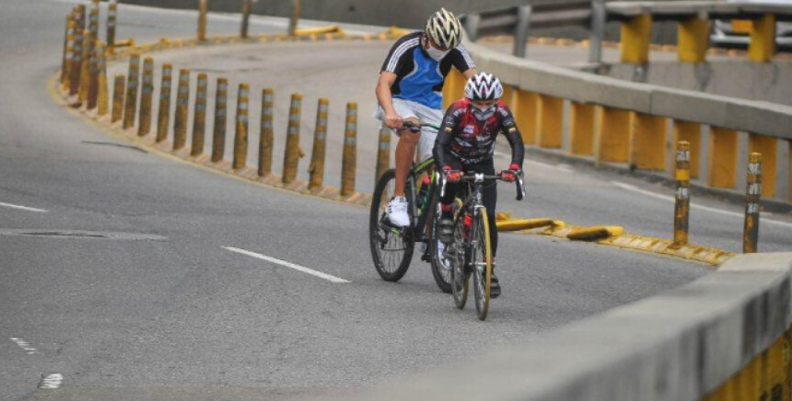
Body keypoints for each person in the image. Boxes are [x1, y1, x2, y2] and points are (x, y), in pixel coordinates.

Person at [375, 8, 478, 228]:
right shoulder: (406, 45)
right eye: (439, 46)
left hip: (430, 106)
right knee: (412, 133)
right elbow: (383, 84)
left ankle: (432, 229)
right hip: (397, 101)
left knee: (441, 157)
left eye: (447, 48)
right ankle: (399, 199)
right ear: (426, 37)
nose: (443, 51)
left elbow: (476, 81)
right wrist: (391, 113)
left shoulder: (455, 49)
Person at [433, 72, 525, 298]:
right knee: (452, 183)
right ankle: (446, 214)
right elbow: (440, 144)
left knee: (490, 216)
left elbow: (516, 141)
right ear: (468, 99)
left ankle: (489, 268)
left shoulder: (502, 111)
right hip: (455, 157)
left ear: (496, 100)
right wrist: (446, 168)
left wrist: (514, 167)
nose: (483, 107)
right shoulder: (457, 110)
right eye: (478, 103)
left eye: (488, 103)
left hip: (482, 161)